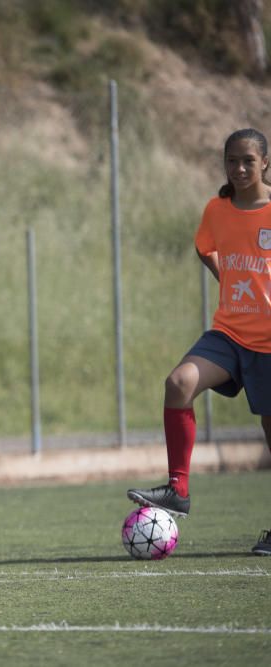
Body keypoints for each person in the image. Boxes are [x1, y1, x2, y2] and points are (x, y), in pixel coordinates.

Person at [127, 128, 271, 556]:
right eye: (232, 160)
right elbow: (204, 247)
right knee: (179, 383)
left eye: (248, 160)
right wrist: (227, 279)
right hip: (228, 332)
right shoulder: (217, 209)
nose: (239, 168)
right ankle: (178, 490)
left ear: (265, 162)